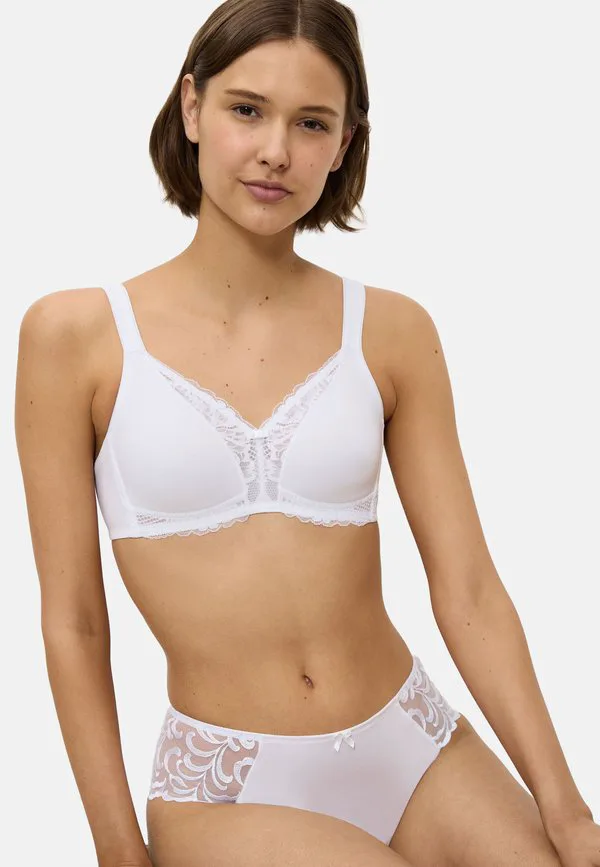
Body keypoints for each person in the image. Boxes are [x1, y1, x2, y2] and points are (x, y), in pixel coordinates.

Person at [15, 1, 597, 865]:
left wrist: (571, 813)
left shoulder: (392, 330)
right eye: (247, 109)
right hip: (230, 782)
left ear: (346, 141)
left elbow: (469, 588)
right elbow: (74, 620)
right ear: (192, 107)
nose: (276, 151)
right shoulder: (75, 337)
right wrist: (116, 848)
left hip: (416, 743)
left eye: (312, 123)